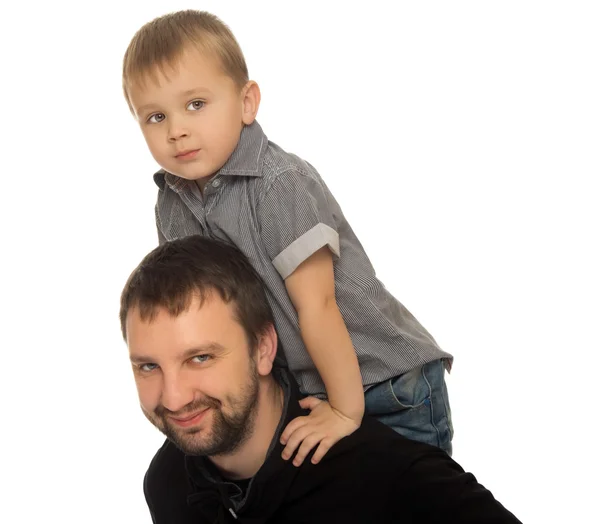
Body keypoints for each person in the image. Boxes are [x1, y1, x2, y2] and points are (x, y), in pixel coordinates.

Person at [121, 9, 454, 464]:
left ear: (246, 103)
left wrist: (344, 409)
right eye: (155, 117)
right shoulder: (172, 205)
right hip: (305, 388)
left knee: (415, 501)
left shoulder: (279, 184)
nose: (177, 130)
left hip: (381, 384)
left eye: (195, 104)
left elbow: (316, 305)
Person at [120, 236, 520, 524]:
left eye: (201, 357)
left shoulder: (394, 477)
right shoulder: (167, 483)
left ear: (262, 348)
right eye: (148, 367)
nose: (173, 398)